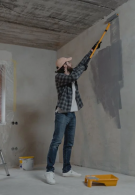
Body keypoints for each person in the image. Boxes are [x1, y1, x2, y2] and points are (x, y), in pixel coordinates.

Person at [44, 41, 102, 185]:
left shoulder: (71, 72)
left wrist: (91, 50)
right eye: (68, 63)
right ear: (64, 66)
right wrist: (82, 66)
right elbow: (73, 77)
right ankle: (49, 171)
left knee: (69, 143)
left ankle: (66, 170)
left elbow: (81, 64)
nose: (71, 64)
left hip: (71, 114)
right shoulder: (60, 77)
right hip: (62, 114)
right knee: (56, 142)